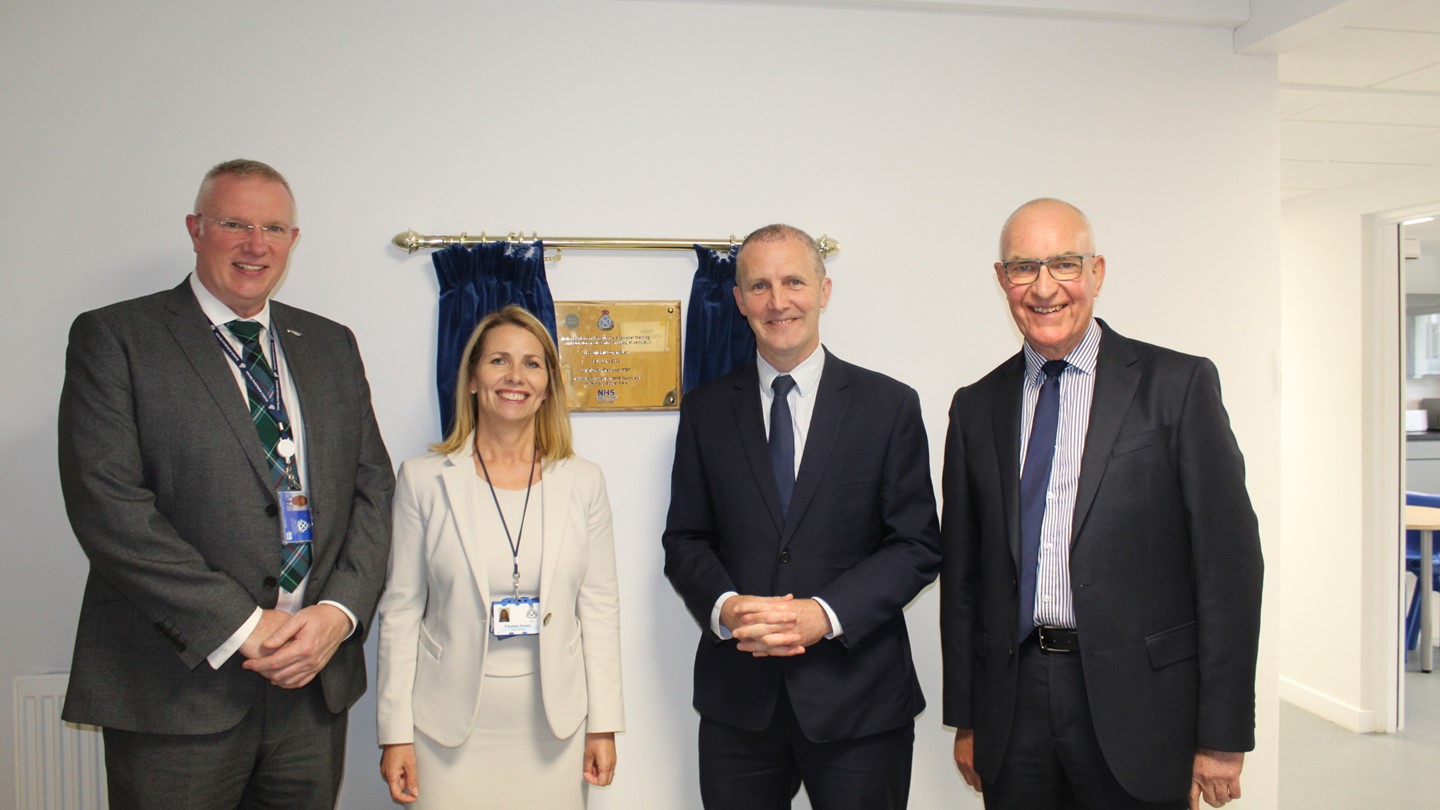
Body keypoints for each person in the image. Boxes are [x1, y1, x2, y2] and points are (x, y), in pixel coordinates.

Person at [57, 158, 395, 808]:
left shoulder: (330, 345)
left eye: (273, 228)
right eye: (235, 223)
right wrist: (244, 626)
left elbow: (372, 494)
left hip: (311, 685)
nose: (254, 244)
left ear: (293, 240)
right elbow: (109, 508)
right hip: (176, 692)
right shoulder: (118, 338)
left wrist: (337, 615)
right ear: (195, 228)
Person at [940, 198, 1263, 809]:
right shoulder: (975, 407)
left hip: (1143, 708)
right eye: (1023, 268)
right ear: (1001, 280)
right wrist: (969, 717)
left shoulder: (1178, 386)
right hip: (1015, 707)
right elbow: (963, 579)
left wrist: (1221, 735)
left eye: (1064, 264)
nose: (1044, 288)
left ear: (1097, 272)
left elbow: (1229, 569)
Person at [662, 224, 941, 810]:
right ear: (738, 301)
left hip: (860, 703)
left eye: (793, 281)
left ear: (824, 289)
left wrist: (825, 614)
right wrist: (726, 609)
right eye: (759, 286)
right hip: (739, 706)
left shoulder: (889, 406)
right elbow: (686, 539)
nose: (777, 300)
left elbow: (916, 545)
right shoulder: (706, 411)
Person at [377, 304, 623, 808]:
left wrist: (604, 724)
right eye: (498, 362)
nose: (516, 377)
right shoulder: (423, 480)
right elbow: (400, 611)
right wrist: (394, 732)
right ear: (471, 378)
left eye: (533, 364)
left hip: (554, 731)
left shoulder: (584, 481)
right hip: (446, 731)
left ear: (549, 385)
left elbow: (600, 608)